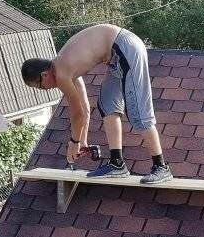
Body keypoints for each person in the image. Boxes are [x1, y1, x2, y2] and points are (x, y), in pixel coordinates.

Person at [21, 24, 172, 184]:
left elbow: (76, 113)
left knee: (138, 113)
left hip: (125, 46)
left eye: (40, 86)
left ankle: (161, 167)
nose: (45, 89)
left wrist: (74, 142)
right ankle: (117, 163)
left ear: (44, 75)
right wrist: (82, 140)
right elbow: (84, 108)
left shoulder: (62, 74)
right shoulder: (66, 66)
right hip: (117, 54)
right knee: (107, 104)